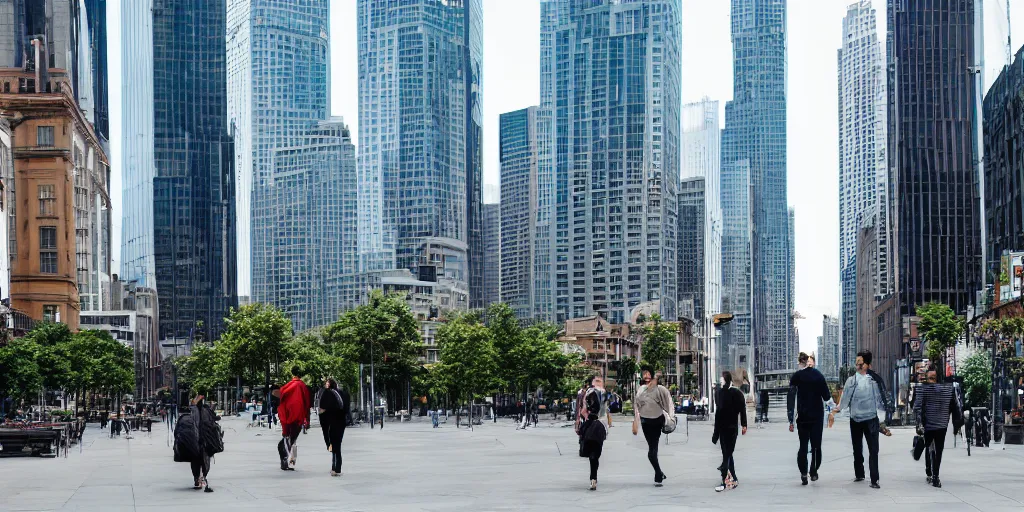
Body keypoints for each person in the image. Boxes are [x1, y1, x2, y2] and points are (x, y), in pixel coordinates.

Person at [830, 349, 894, 489]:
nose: (858, 366)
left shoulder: (875, 380)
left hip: (871, 419)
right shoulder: (851, 380)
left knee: (873, 450)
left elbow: (881, 401)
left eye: (861, 364)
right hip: (855, 419)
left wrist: (883, 422)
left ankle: (874, 479)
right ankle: (859, 474)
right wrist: (835, 410)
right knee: (857, 448)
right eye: (857, 363)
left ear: (868, 365)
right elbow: (845, 400)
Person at [787, 352, 831, 485]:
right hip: (817, 416)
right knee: (816, 446)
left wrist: (790, 419)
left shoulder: (796, 377)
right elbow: (827, 397)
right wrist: (833, 411)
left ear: (800, 362)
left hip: (803, 417)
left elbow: (791, 398)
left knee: (803, 446)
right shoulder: (818, 375)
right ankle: (813, 471)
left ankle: (803, 473)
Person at [915, 366, 962, 488]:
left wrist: (957, 424)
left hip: (942, 424)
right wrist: (919, 423)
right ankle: (929, 471)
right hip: (928, 423)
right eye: (929, 378)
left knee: (938, 450)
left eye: (934, 378)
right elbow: (918, 407)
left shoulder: (947, 390)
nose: (932, 381)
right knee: (929, 447)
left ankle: (935, 476)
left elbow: (955, 406)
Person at [173, 394, 223, 493]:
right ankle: (201, 478)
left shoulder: (193, 412)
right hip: (202, 441)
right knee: (203, 460)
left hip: (196, 441)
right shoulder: (203, 411)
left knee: (196, 460)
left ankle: (198, 479)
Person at [632, 368, 674, 486]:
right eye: (644, 374)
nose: (646, 376)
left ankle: (658, 474)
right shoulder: (640, 389)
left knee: (652, 449)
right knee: (652, 448)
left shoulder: (660, 389)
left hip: (657, 420)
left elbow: (669, 403)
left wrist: (671, 417)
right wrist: (636, 420)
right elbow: (637, 405)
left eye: (648, 374)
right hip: (645, 421)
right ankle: (659, 473)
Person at [712, 371, 747, 492]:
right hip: (724, 428)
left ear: (726, 380)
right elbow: (718, 413)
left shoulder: (736, 393)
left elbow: (742, 409)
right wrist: (716, 433)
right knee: (727, 454)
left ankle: (724, 479)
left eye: (722, 378)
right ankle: (733, 478)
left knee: (727, 454)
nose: (720, 380)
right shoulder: (719, 393)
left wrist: (744, 424)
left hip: (731, 428)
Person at [578, 375, 611, 491]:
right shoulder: (605, 393)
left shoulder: (589, 392)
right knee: (596, 454)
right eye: (596, 380)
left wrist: (583, 419)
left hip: (591, 425)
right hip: (601, 426)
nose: (597, 382)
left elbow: (582, 411)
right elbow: (607, 410)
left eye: (599, 380)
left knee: (592, 454)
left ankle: (593, 478)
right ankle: (593, 478)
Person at [277, 366, 311, 471]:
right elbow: (307, 404)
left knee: (287, 437)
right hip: (297, 417)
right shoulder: (302, 386)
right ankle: (285, 459)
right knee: (292, 439)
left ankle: (285, 460)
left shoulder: (288, 386)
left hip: (286, 415)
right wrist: (307, 420)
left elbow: (280, 396)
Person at [315, 378, 349, 476]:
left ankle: (336, 469)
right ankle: (335, 467)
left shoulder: (326, 393)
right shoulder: (343, 394)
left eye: (326, 383)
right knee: (337, 445)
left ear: (329, 385)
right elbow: (346, 409)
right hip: (341, 422)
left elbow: (322, 410)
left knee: (333, 445)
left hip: (330, 423)